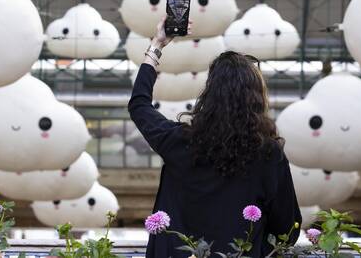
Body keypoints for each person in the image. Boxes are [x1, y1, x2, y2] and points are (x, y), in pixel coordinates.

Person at [129, 17, 301, 258]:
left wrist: (157, 45)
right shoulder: (268, 154)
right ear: (256, 99)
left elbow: (139, 105)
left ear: (208, 95)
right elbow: (286, 228)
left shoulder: (179, 141)